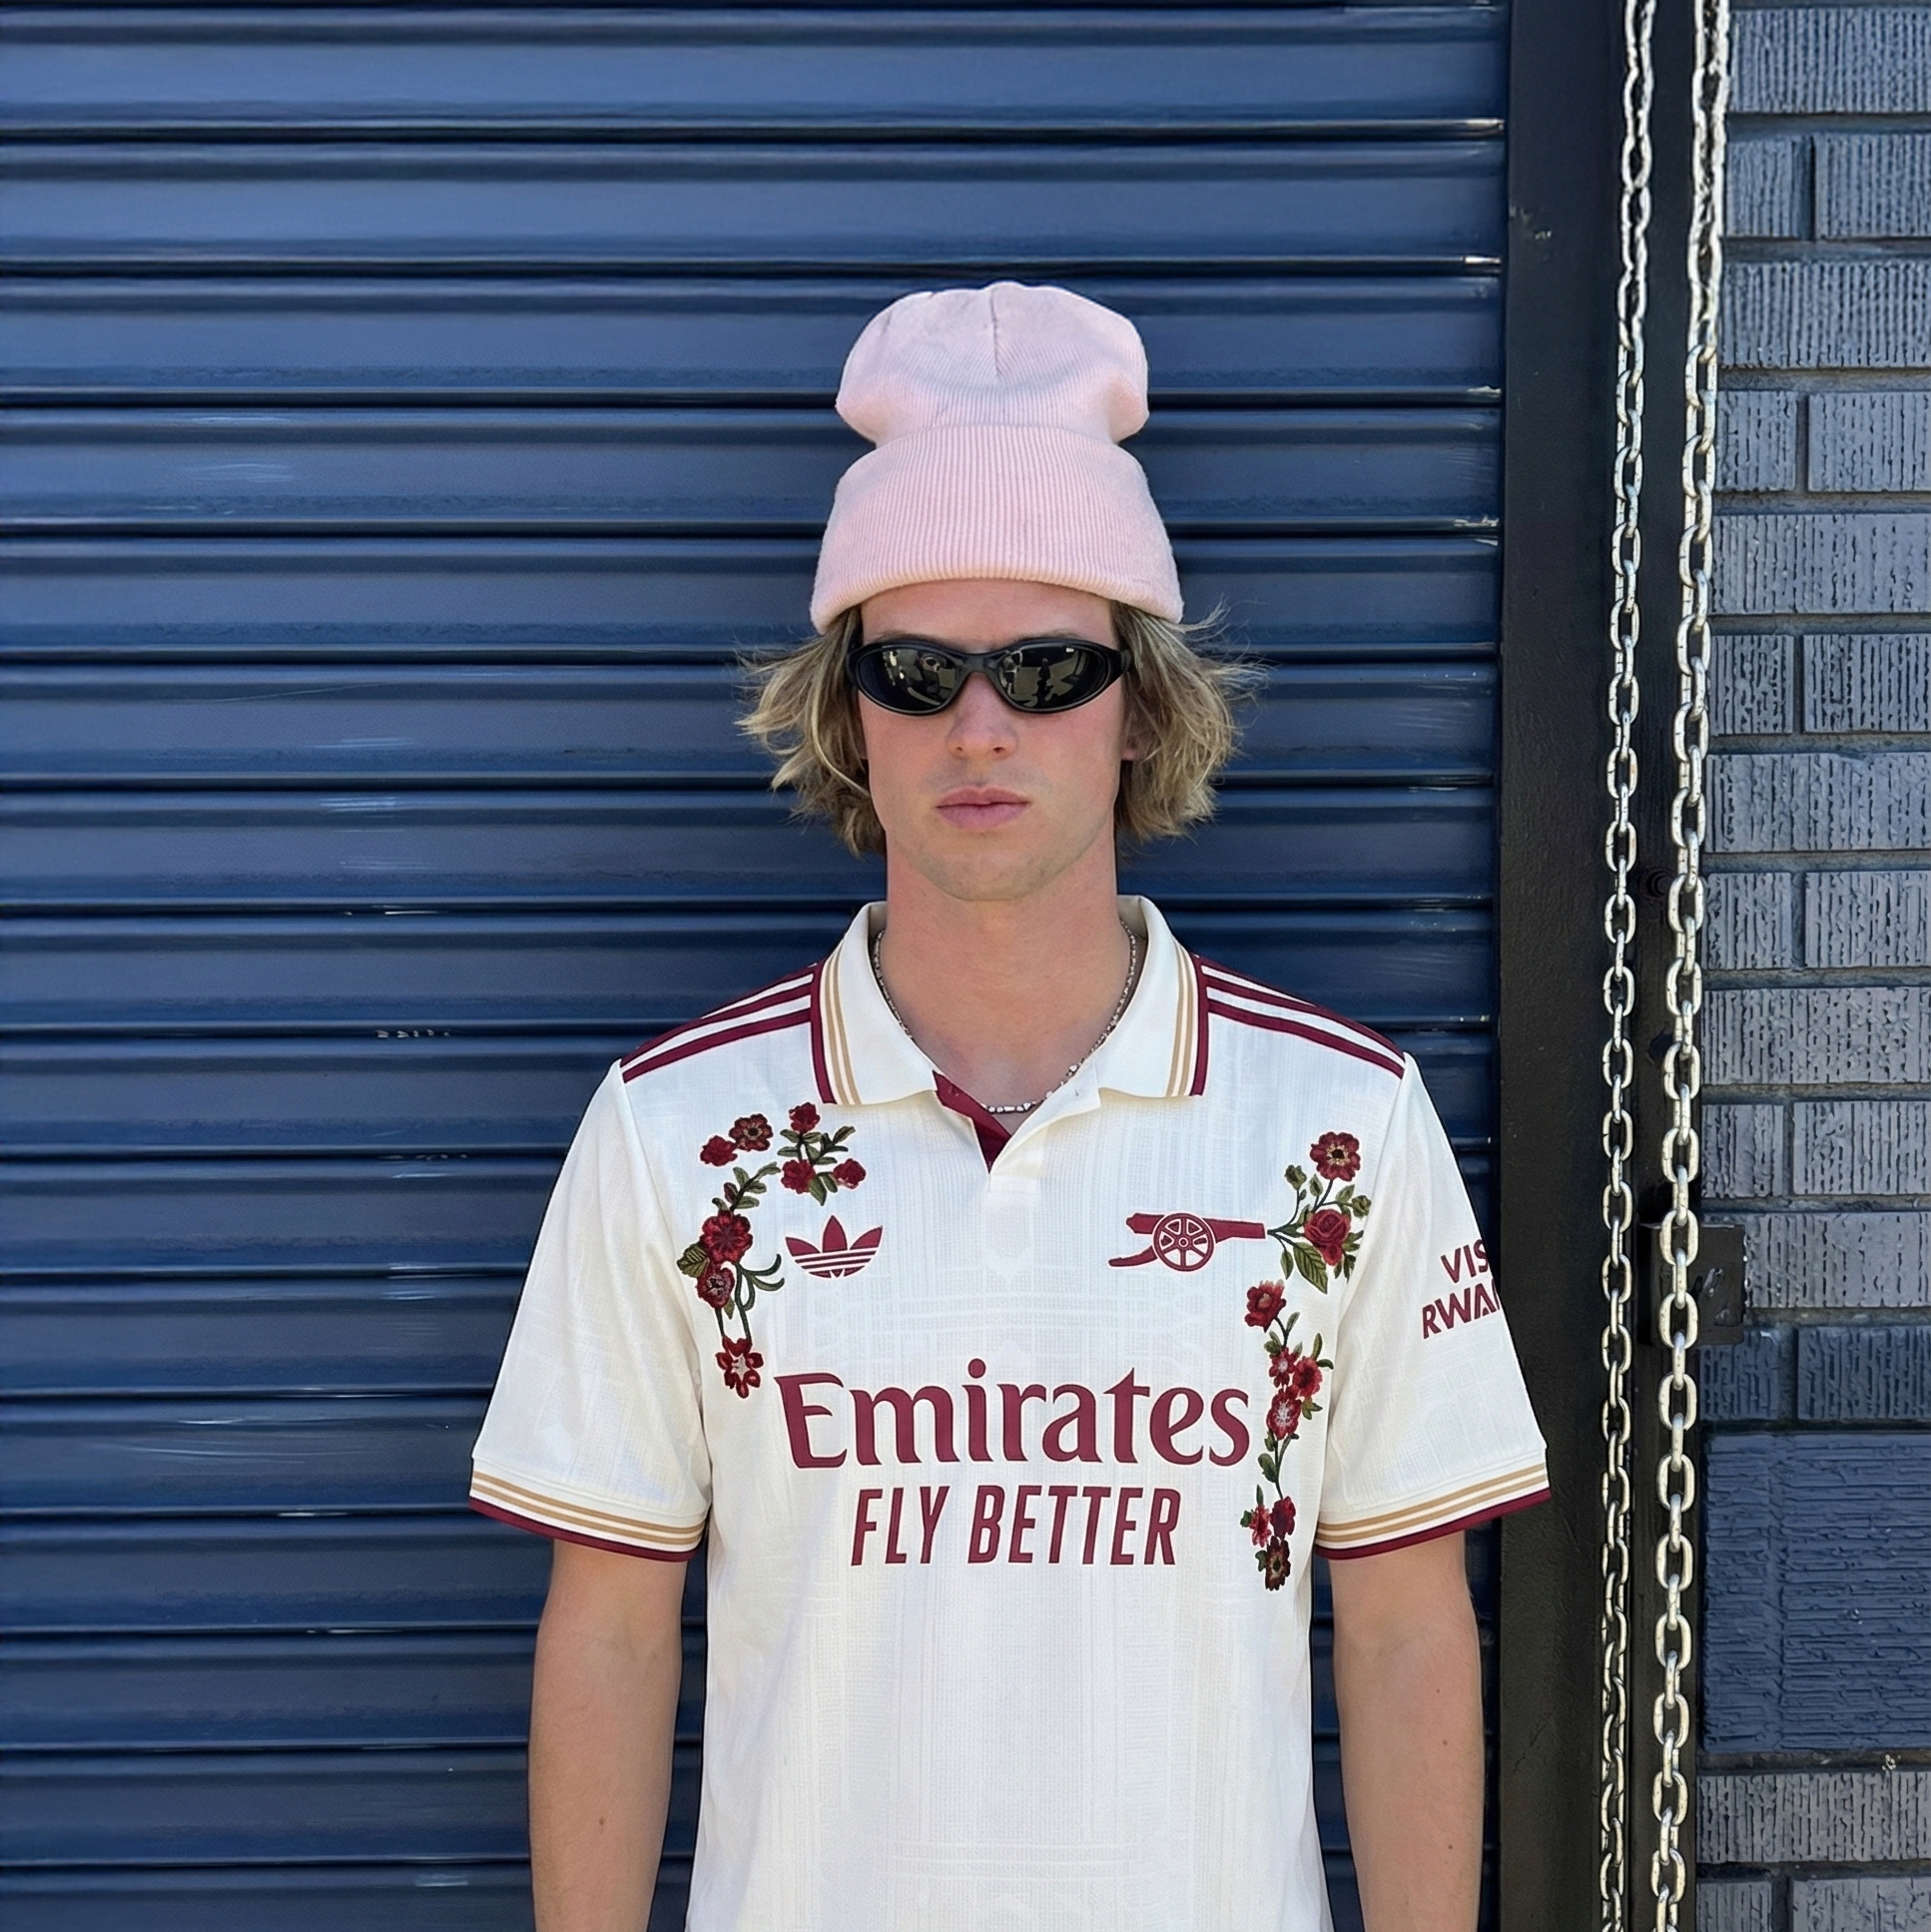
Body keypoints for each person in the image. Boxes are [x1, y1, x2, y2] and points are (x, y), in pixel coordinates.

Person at [469, 283, 1548, 1932]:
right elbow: (611, 1622)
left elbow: (1404, 1622)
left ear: (1138, 704)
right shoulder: (676, 1134)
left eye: (1047, 666)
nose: (981, 725)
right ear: (848, 711)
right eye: (917, 668)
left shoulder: (1339, 1128)